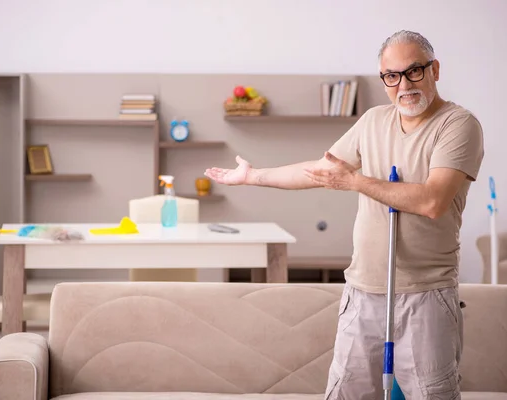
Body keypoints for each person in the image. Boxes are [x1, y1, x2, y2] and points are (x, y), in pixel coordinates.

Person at [204, 30, 484, 400]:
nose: (404, 85)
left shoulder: (458, 125)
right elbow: (322, 170)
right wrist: (254, 176)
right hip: (363, 292)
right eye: (392, 76)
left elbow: (432, 201)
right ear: (384, 79)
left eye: (414, 71)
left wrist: (355, 181)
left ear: (435, 69)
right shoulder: (372, 121)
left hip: (425, 296)